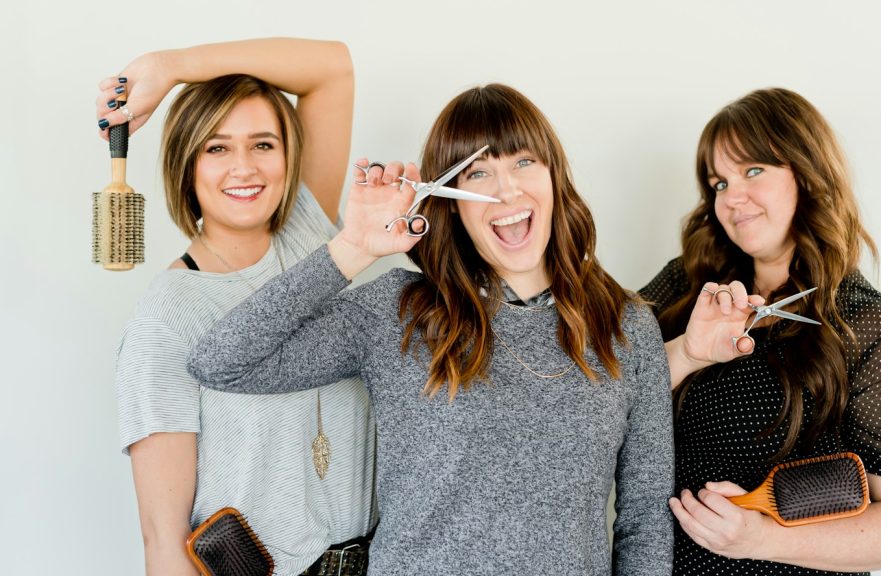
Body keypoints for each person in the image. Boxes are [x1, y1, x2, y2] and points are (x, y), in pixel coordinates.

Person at [187, 83, 674, 575]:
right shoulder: (400, 312)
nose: (507, 190)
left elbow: (646, 519)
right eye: (477, 172)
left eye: (524, 162)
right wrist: (353, 247)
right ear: (452, 201)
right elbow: (222, 362)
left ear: (554, 177)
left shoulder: (626, 326)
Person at [640, 87, 881, 576]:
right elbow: (601, 391)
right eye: (718, 183)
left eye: (753, 171)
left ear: (807, 175)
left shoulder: (868, 328)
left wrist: (760, 538)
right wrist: (686, 352)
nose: (732, 198)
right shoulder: (685, 288)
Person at [101, 38, 376, 576]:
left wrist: (170, 67)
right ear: (187, 164)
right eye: (217, 148)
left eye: (263, 144)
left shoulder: (309, 236)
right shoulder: (167, 316)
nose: (245, 168)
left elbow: (333, 69)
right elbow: (163, 537)